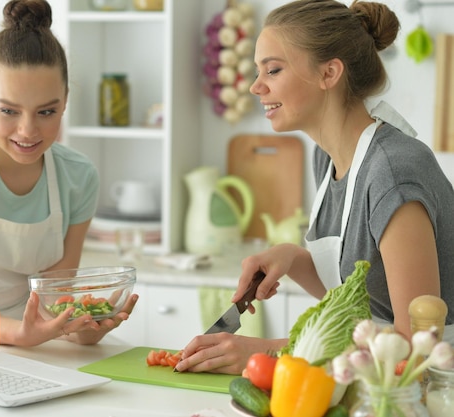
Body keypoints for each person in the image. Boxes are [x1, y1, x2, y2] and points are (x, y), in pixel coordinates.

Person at [175, 0, 454, 375]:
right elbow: (361, 300)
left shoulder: (392, 173)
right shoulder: (327, 160)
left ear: (329, 73)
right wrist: (290, 257)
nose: (257, 86)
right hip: (368, 382)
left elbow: (413, 344)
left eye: (273, 69)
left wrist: (272, 354)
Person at [0, 0, 137, 347]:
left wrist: (84, 328)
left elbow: (54, 300)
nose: (28, 130)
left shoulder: (78, 178)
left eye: (47, 111)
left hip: (34, 339)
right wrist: (25, 334)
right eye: (8, 111)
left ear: (65, 101)